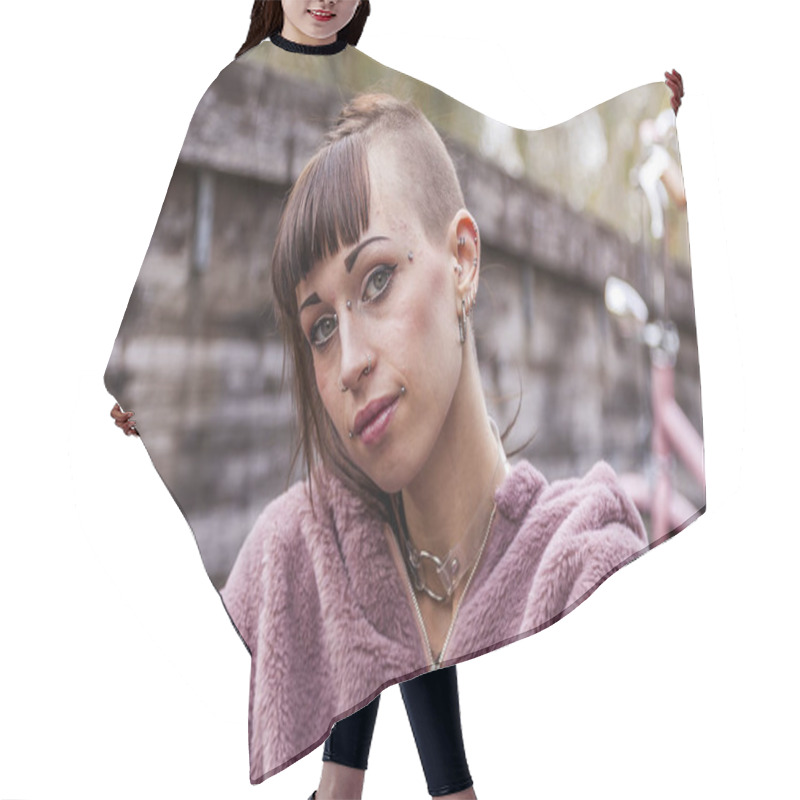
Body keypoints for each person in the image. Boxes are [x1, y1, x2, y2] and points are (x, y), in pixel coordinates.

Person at [108, 3, 687, 798]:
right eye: (317, 328)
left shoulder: (576, 563)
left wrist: (655, 99)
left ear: (462, 262)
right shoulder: (294, 553)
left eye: (377, 280)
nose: (346, 364)